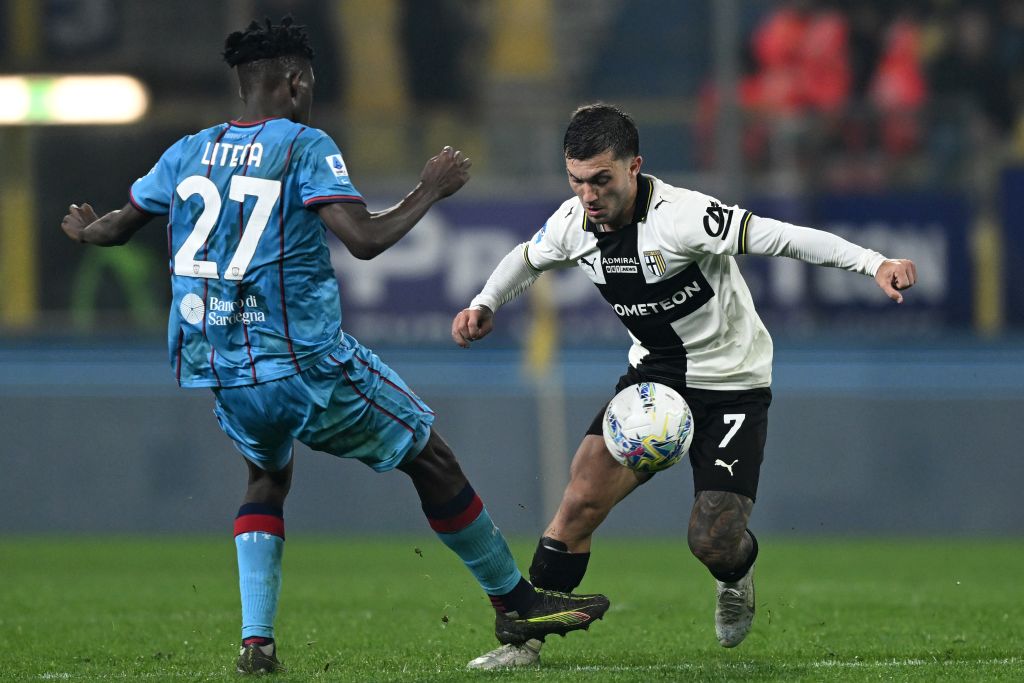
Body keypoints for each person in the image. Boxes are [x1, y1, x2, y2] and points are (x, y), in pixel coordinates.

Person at [59, 18, 609, 676]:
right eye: (312, 85)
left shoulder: (188, 151)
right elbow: (364, 239)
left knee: (267, 476)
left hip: (224, 369)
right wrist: (430, 187)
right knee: (430, 456)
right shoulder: (303, 146)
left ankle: (257, 642)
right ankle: (514, 603)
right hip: (305, 364)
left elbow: (118, 227)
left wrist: (86, 230)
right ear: (295, 82)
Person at [452, 103, 917, 670]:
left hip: (732, 381)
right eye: (576, 181)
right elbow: (527, 258)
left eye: (601, 179)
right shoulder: (574, 223)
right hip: (655, 378)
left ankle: (735, 575)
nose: (588, 195)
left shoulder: (685, 218)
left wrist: (874, 263)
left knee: (712, 539)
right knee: (577, 504)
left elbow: (783, 238)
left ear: (634, 167)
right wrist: (485, 302)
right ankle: (523, 643)